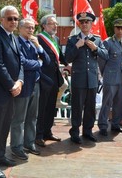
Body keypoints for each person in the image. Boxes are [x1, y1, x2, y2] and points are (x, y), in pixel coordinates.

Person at [0, 5, 24, 178]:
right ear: (1, 20)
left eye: (16, 18)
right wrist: (11, 85)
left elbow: (20, 62)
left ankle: (0, 156)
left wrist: (20, 81)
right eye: (10, 18)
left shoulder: (14, 38)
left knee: (4, 127)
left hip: (11, 92)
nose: (13, 22)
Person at [65, 12, 108, 144]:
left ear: (91, 24)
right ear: (79, 24)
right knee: (77, 107)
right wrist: (77, 46)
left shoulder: (97, 39)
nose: (84, 24)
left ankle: (88, 131)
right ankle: (75, 132)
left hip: (92, 79)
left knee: (90, 107)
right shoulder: (72, 40)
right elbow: (67, 58)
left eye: (87, 22)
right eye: (82, 22)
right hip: (78, 79)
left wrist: (96, 49)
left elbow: (105, 55)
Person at [10, 18, 50, 160]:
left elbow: (48, 60)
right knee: (19, 119)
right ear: (20, 28)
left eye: (33, 28)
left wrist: (39, 47)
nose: (31, 30)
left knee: (32, 117)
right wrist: (38, 63)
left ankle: (29, 143)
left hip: (36, 84)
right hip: (23, 84)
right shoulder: (16, 42)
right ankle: (16, 146)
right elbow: (22, 63)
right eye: (27, 27)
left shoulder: (34, 43)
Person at [35, 14, 69, 147]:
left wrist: (67, 64)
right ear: (44, 26)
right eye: (52, 24)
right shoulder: (39, 38)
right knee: (42, 107)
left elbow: (59, 55)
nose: (55, 26)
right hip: (43, 77)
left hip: (55, 77)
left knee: (51, 107)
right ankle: (38, 135)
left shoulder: (56, 39)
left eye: (56, 24)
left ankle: (48, 132)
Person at [98, 18, 122, 136]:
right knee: (107, 102)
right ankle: (102, 125)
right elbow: (101, 60)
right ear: (114, 28)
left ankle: (116, 124)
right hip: (110, 77)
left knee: (120, 102)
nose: (120, 30)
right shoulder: (107, 42)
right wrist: (105, 73)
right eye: (118, 28)